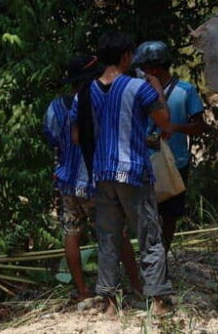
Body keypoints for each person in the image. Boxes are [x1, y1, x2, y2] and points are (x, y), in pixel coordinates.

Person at [70, 33, 174, 315]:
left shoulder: (85, 91)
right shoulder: (139, 88)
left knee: (108, 239)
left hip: (101, 174)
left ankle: (110, 303)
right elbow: (164, 123)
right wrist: (158, 89)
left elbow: (77, 136)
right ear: (127, 56)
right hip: (133, 172)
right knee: (149, 237)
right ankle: (157, 301)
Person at [43, 55, 143, 302]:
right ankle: (136, 285)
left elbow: (51, 137)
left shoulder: (55, 107)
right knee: (116, 234)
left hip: (67, 180)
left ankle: (82, 291)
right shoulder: (97, 102)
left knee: (71, 232)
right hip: (95, 181)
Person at [132, 41, 208, 253]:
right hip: (145, 163)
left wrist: (174, 127)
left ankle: (162, 253)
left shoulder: (186, 91)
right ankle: (150, 254)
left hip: (176, 163)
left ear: (154, 68)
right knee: (146, 213)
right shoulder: (138, 92)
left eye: (143, 68)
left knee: (170, 215)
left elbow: (200, 126)